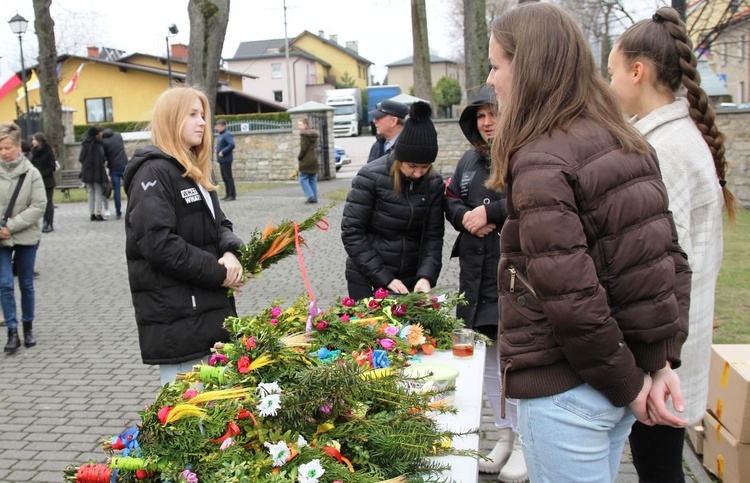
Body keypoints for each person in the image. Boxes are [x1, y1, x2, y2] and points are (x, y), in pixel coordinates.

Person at [485, 4, 692, 482]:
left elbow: (572, 298)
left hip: (571, 392)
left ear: (529, 65)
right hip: (613, 382)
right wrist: (655, 365)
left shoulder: (542, 158)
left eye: (497, 65)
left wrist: (632, 381)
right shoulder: (623, 139)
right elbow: (669, 268)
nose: (491, 80)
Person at [608, 8, 737, 482]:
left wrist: (651, 361)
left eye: (613, 72)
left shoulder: (665, 148)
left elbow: (658, 265)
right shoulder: (673, 136)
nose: (611, 83)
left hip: (663, 353)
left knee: (660, 469)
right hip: (671, 346)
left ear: (637, 72)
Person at [123, 86, 245, 385]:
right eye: (192, 115)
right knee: (191, 417)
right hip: (179, 317)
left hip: (206, 310)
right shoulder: (154, 173)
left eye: (202, 115)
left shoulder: (191, 170)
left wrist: (230, 252)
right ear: (171, 119)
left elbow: (219, 224)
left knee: (218, 414)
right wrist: (218, 273)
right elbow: (158, 244)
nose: (202, 122)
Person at [445, 86, 526, 482]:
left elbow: (532, 195)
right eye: (480, 116)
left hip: (514, 275)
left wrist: (491, 210)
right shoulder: (468, 160)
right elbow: (449, 199)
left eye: (493, 112)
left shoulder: (524, 151)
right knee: (491, 363)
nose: (487, 122)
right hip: (475, 279)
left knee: (519, 361)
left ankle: (528, 444)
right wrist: (466, 217)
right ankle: (505, 438)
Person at [342, 101, 444, 300]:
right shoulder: (369, 177)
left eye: (425, 167)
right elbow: (352, 233)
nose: (418, 173)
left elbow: (433, 236)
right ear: (399, 158)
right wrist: (384, 278)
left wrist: (426, 276)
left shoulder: (433, 182)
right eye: (412, 166)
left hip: (410, 278)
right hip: (367, 277)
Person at [0, 123, 46, 353]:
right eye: (0, 148)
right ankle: (11, 331)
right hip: (0, 238)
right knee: (5, 284)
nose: (4, 152)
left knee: (26, 283)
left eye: (7, 147)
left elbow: (39, 205)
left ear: (18, 146)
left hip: (26, 235)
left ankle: (28, 327)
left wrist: (11, 226)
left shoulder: (31, 173)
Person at [79, 126, 109, 221]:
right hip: (97, 170)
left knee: (90, 192)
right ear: (96, 134)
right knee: (98, 191)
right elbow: (103, 158)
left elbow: (81, 158)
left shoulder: (84, 144)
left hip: (87, 170)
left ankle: (91, 213)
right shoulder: (99, 144)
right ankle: (98, 213)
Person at [30, 132, 57, 233]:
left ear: (40, 141)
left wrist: (41, 174)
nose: (33, 142)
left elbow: (52, 166)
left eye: (35, 140)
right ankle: (41, 222)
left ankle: (48, 222)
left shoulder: (48, 150)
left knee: (48, 202)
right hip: (36, 181)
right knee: (40, 202)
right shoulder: (34, 152)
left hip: (47, 180)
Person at [101, 128, 129, 219]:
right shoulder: (118, 136)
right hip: (124, 165)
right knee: (129, 188)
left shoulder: (104, 142)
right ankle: (132, 209)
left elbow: (103, 157)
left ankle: (118, 211)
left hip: (114, 167)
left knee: (117, 190)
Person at [297, 118, 320, 204]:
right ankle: (315, 197)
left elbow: (303, 149)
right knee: (312, 178)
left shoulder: (303, 135)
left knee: (302, 178)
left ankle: (310, 196)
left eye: (300, 125)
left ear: (305, 125)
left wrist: (299, 157)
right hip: (314, 158)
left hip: (306, 159)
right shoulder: (314, 135)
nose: (299, 127)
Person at [215, 119, 236, 201]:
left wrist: (223, 151)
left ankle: (232, 195)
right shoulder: (221, 135)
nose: (218, 128)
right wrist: (217, 148)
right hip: (221, 160)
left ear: (224, 126)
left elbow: (231, 144)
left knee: (228, 177)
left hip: (226, 159)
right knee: (224, 177)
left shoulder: (227, 134)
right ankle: (228, 194)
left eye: (219, 127)